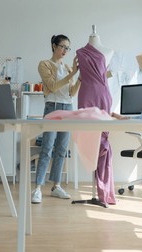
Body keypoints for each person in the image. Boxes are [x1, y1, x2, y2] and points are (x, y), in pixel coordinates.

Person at [31, 34, 81, 204]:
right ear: (54, 46)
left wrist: (80, 77)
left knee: (61, 149)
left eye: (68, 48)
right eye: (62, 47)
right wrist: (72, 74)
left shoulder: (67, 68)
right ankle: (37, 187)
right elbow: (52, 86)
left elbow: (71, 93)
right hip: (52, 107)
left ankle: (56, 186)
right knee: (47, 148)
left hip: (68, 108)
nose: (65, 50)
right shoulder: (44, 64)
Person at [76, 26, 117, 206]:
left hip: (102, 95)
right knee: (89, 139)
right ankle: (99, 189)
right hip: (86, 95)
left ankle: (103, 190)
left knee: (102, 141)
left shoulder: (109, 51)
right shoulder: (79, 52)